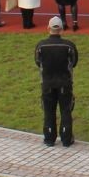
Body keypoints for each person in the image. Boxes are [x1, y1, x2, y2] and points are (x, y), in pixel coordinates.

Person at [35, 15, 78, 147]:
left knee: (48, 111)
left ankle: (49, 138)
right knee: (66, 110)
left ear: (48, 28)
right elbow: (74, 62)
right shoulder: (69, 45)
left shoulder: (41, 46)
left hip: (47, 83)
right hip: (65, 83)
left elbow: (38, 62)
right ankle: (66, 138)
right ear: (62, 29)